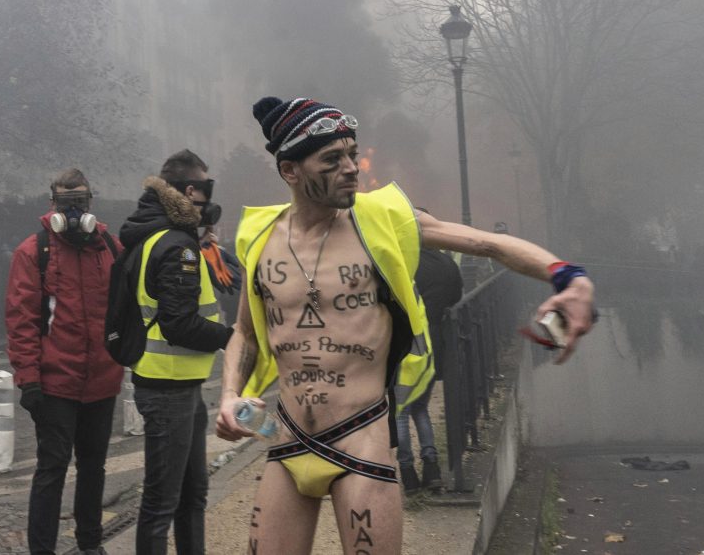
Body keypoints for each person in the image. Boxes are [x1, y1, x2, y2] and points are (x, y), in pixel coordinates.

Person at [215, 97, 596, 555]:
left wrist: (566, 275)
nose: (351, 167)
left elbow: (485, 243)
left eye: (352, 154)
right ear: (290, 171)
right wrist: (230, 394)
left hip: (360, 442)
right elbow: (247, 332)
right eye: (332, 159)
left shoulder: (379, 219)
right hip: (288, 438)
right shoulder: (259, 237)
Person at [118, 149, 233, 554]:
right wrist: (229, 338)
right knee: (162, 502)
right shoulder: (176, 246)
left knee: (191, 496)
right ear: (190, 191)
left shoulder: (162, 235)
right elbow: (179, 323)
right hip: (167, 388)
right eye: (206, 189)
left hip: (179, 387)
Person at [5, 167, 123, 555]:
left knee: (94, 468)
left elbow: (125, 308)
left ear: (90, 203)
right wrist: (29, 379)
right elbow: (22, 319)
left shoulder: (110, 247)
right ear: (52, 204)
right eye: (66, 203)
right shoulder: (32, 252)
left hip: (102, 382)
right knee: (51, 470)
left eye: (80, 202)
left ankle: (91, 544)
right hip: (55, 384)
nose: (73, 212)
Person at [397, 244, 463, 494]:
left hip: (407, 340)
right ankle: (432, 467)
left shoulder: (407, 263)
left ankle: (408, 474)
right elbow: (457, 297)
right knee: (420, 408)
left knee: (401, 410)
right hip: (435, 339)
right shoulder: (448, 264)